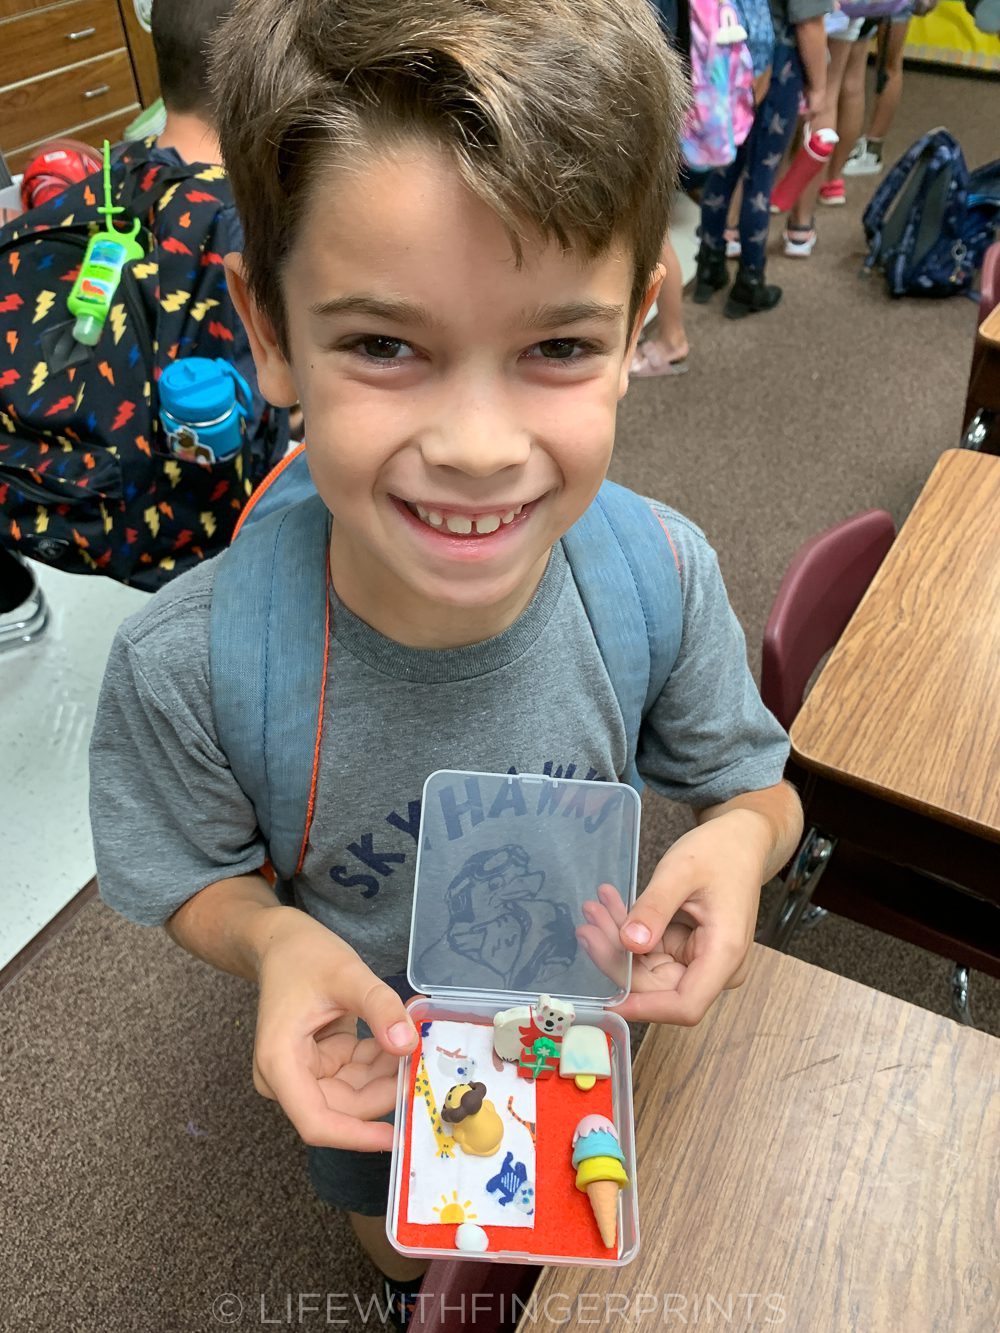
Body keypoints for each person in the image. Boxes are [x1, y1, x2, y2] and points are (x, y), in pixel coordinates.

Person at [88, 2, 804, 1328]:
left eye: (557, 347)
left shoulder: (660, 575)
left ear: (640, 322)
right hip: (375, 1059)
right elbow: (187, 866)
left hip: (585, 1029)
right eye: (382, 344)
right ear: (270, 329)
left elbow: (756, 781)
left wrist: (742, 845)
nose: (479, 446)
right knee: (416, 1259)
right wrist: (271, 937)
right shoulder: (190, 664)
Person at [693, 0, 833, 316]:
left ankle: (709, 266)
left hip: (727, 54)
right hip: (779, 63)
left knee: (724, 164)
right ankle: (749, 282)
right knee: (761, 176)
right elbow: (809, 23)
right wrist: (820, 88)